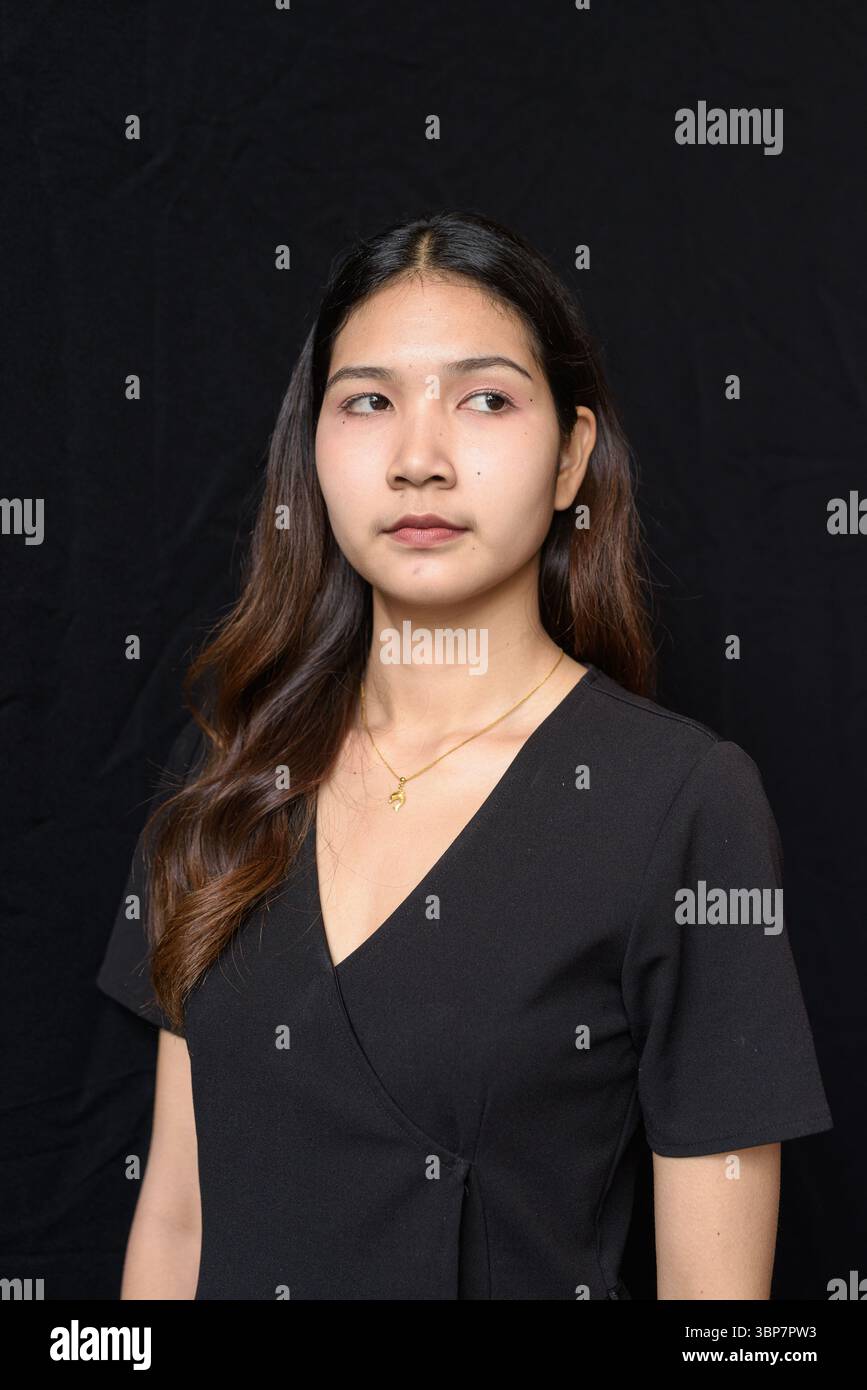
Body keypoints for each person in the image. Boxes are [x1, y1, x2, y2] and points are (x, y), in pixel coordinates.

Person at [97, 210, 833, 1300]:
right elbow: (177, 1216)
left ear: (572, 455)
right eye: (370, 402)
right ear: (314, 450)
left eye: (485, 398)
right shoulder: (226, 771)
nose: (420, 459)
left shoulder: (679, 802)